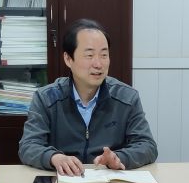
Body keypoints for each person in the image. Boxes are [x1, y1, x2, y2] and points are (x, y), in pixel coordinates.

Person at [19, 19, 158, 175]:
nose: (98, 64)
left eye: (104, 55)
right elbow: (28, 146)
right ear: (68, 59)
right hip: (65, 180)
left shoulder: (127, 97)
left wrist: (118, 158)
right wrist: (54, 157)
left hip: (109, 181)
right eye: (89, 55)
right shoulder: (46, 98)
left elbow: (147, 146)